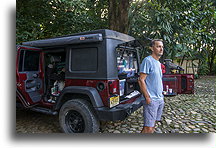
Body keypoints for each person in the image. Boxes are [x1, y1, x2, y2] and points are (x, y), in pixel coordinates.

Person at [138, 39, 164, 133]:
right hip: (151, 99)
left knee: (153, 125)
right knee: (148, 127)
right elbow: (141, 80)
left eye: (162, 47)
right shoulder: (147, 60)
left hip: (160, 98)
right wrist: (147, 97)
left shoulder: (158, 63)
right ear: (152, 48)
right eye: (158, 46)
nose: (161, 49)